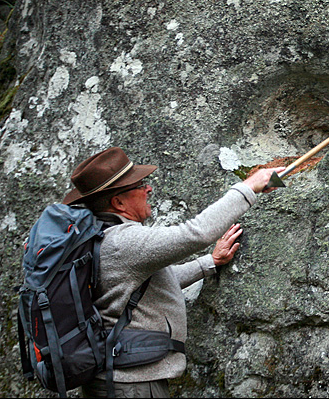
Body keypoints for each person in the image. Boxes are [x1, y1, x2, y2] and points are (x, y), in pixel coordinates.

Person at [61, 146, 284, 398]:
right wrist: (249, 187)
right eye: (140, 184)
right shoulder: (123, 242)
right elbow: (196, 233)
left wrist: (210, 261)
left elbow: (151, 285)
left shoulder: (97, 237)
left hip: (121, 377)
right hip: (130, 385)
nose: (149, 189)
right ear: (118, 202)